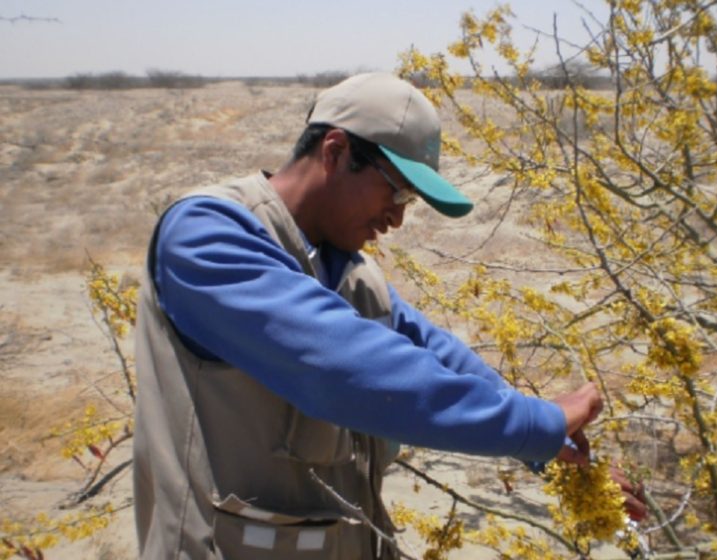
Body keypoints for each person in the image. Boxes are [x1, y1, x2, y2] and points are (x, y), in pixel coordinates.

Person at [133, 72, 645, 560]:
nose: (398, 217)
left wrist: (551, 451)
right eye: (397, 190)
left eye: (411, 201)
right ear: (335, 152)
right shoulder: (205, 236)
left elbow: (436, 356)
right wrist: (534, 422)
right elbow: (344, 368)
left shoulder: (348, 271)